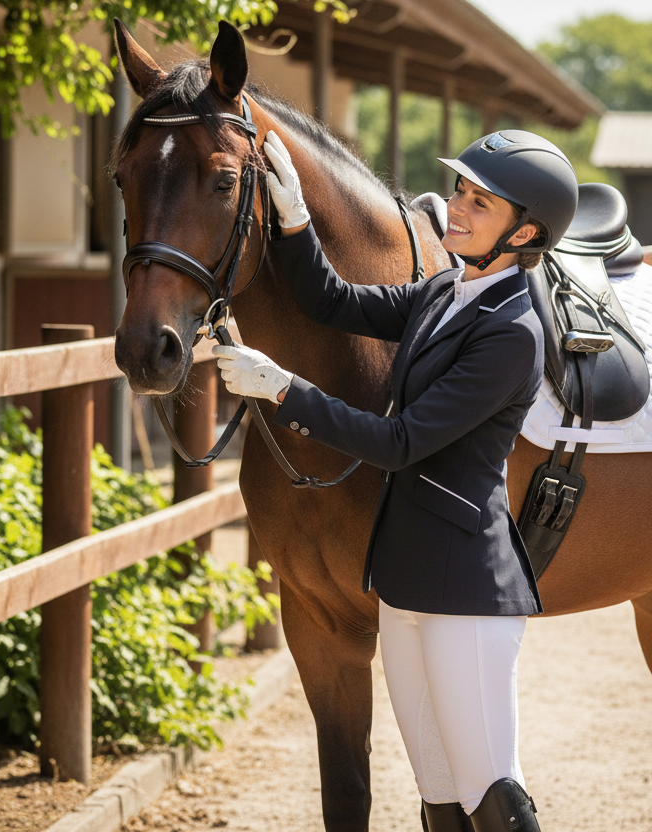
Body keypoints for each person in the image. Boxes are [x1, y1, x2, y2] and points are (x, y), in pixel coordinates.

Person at [212, 129, 578, 832]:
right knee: (438, 794)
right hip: (406, 582)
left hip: (466, 591)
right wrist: (293, 219)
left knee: (491, 793)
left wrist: (283, 389)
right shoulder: (445, 288)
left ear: (525, 231)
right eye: (463, 193)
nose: (460, 211)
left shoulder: (513, 332)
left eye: (483, 204)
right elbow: (331, 301)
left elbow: (401, 443)